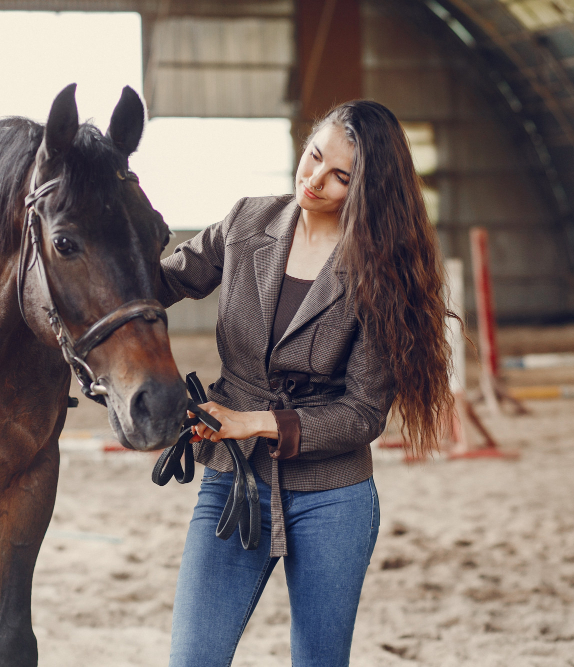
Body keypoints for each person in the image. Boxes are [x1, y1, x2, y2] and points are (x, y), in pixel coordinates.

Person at [157, 100, 455, 666]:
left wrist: (256, 422)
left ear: (367, 189)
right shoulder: (247, 223)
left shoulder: (379, 272)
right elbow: (161, 283)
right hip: (234, 481)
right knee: (192, 658)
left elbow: (364, 413)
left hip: (332, 497)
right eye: (314, 156)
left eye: (340, 176)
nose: (314, 179)